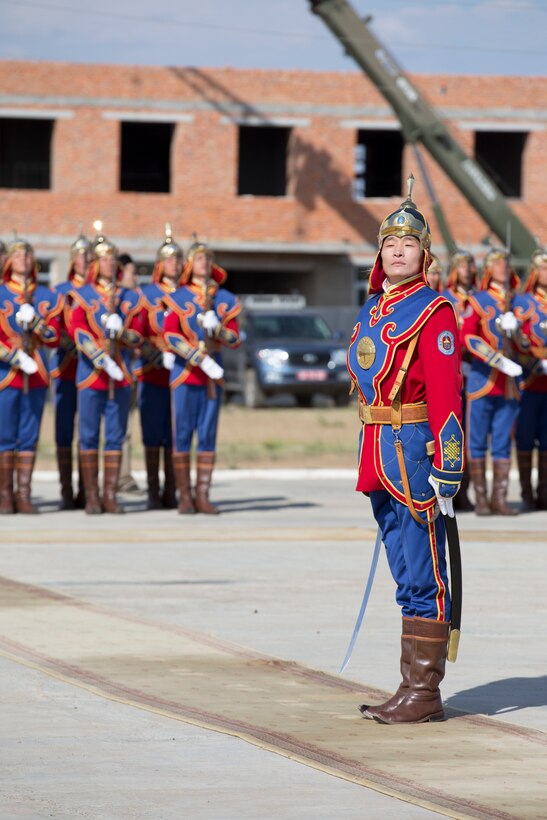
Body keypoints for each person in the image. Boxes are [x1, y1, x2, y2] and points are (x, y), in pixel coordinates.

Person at [347, 176, 464, 724]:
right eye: (390, 242)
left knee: (425, 570)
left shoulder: (434, 311)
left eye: (409, 243)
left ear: (424, 254)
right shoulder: (373, 309)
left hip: (415, 449)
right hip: (378, 448)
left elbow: (445, 395)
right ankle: (409, 685)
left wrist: (449, 464)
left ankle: (424, 691)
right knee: (403, 569)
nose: (397, 249)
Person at [163, 237, 241, 515]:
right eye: (198, 259)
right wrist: (196, 358)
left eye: (208, 259)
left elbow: (235, 337)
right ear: (189, 265)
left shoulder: (224, 299)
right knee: (182, 433)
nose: (204, 263)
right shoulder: (178, 296)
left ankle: (202, 495)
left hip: (212, 377)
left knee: (207, 434)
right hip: (186, 373)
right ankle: (184, 496)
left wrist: (218, 329)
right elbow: (170, 334)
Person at [70, 225, 143, 515]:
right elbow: (77, 330)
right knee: (88, 435)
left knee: (116, 434)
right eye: (104, 258)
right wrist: (100, 357)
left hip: (121, 375)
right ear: (95, 264)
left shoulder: (128, 297)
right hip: (92, 375)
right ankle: (91, 496)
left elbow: (138, 336)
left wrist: (122, 332)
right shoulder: (83, 295)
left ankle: (110, 494)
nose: (110, 263)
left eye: (113, 259)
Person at [0, 237, 61, 514]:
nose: (23, 259)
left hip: (35, 372)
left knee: (29, 434)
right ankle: (4, 494)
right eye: (18, 255)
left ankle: (24, 494)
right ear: (9, 261)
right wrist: (12, 356)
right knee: (4, 434)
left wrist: (36, 322)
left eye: (28, 255)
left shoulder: (46, 296)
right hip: (6, 372)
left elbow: (54, 337)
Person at [460, 248, 523, 515]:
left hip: (509, 385)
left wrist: (517, 330)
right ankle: (482, 499)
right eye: (497, 263)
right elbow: (467, 335)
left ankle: (500, 498)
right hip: (483, 380)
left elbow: (527, 342)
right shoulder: (478, 300)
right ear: (488, 268)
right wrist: (495, 359)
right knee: (476, 442)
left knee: (501, 441)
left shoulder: (519, 302)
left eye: (506, 263)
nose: (503, 268)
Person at [135, 225, 182, 509]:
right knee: (153, 432)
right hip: (153, 373)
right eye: (169, 259)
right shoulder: (146, 295)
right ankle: (153, 491)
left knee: (176, 432)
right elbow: (137, 332)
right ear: (159, 264)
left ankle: (172, 490)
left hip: (181, 374)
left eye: (178, 259)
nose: (174, 264)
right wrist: (154, 353)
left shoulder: (189, 294)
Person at [49, 231, 90, 509]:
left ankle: (88, 490)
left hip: (91, 368)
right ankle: (66, 490)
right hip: (66, 365)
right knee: (64, 428)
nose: (84, 262)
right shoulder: (60, 291)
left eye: (89, 257)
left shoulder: (100, 293)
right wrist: (69, 342)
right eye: (80, 257)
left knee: (88, 430)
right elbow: (54, 326)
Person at [442, 249, 478, 511]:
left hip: (476, 374)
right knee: (452, 431)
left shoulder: (477, 299)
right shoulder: (445, 300)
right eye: (464, 266)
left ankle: (465, 490)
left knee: (470, 435)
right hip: (451, 371)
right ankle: (451, 490)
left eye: (472, 266)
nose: (469, 271)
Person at [513, 249, 547, 510]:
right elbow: (515, 345)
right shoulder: (522, 302)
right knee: (525, 438)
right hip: (528, 383)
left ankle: (544, 493)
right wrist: (533, 362)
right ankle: (526, 494)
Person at [116, 252, 140, 493]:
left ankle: (123, 477)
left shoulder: (134, 300)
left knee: (125, 429)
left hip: (125, 373)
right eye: (132, 273)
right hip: (97, 374)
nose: (136, 278)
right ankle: (88, 484)